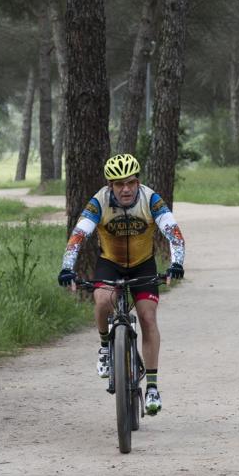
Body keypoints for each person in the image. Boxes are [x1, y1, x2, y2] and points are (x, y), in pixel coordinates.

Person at [57, 153, 186, 416]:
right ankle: (105, 347)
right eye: (118, 184)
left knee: (148, 317)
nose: (125, 189)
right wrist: (67, 268)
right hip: (111, 263)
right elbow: (78, 236)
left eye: (130, 182)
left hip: (143, 263)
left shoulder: (151, 200)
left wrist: (176, 264)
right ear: (109, 185)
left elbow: (174, 234)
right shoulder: (99, 202)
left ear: (138, 181)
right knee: (103, 300)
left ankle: (151, 387)